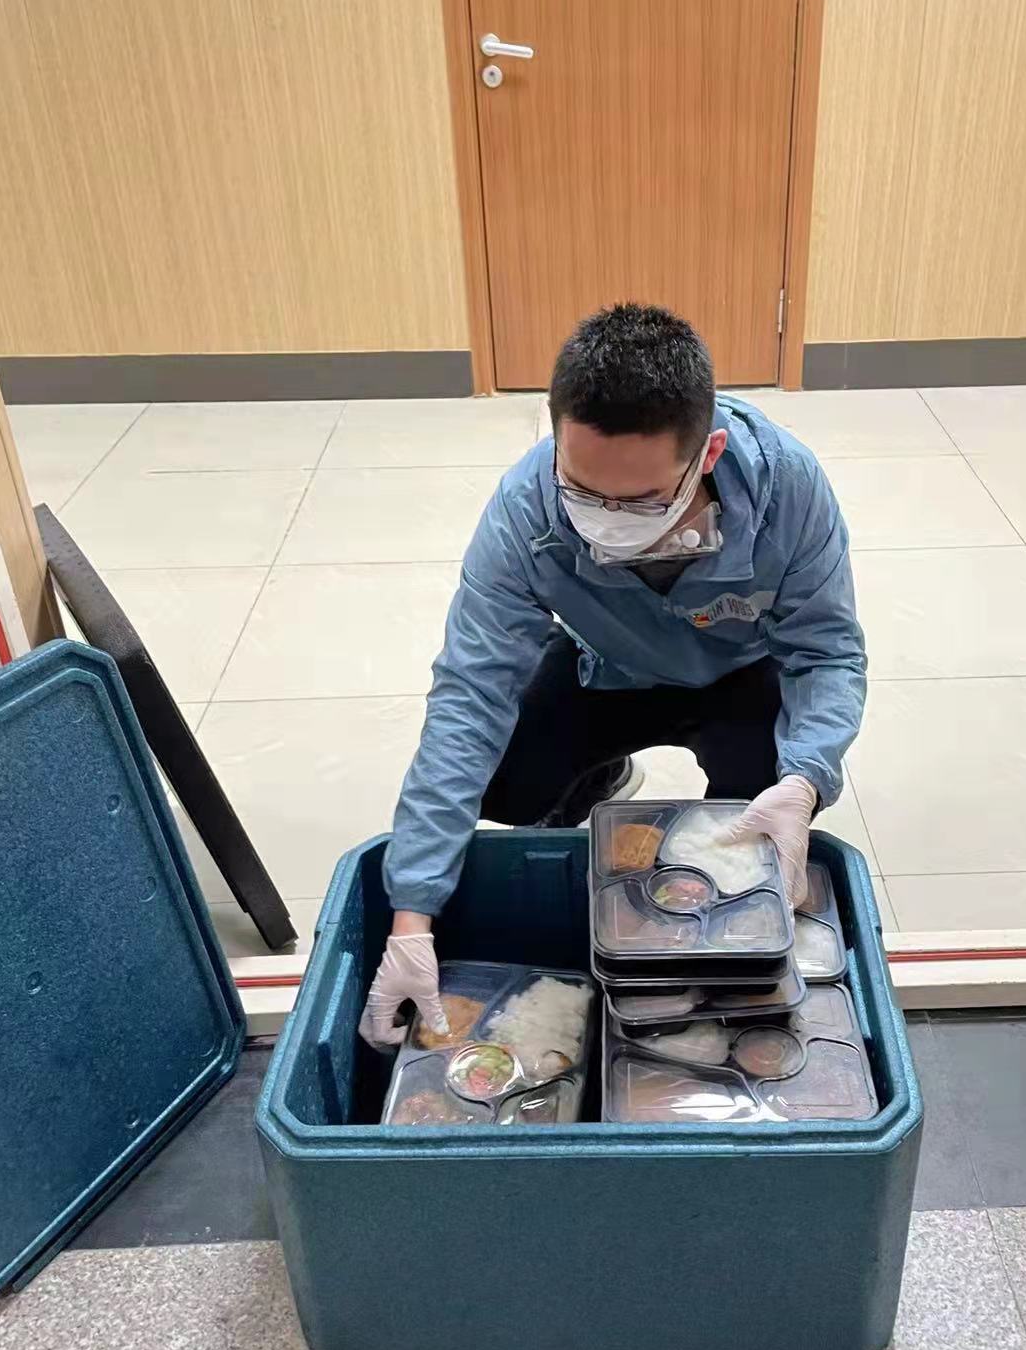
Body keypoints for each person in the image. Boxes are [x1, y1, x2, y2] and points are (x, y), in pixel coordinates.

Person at [359, 304, 867, 1049]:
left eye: (640, 500)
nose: (607, 518)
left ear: (709, 452)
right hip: (607, 667)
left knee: (754, 819)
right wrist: (412, 915)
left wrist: (807, 777)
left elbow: (825, 653)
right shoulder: (524, 511)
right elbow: (470, 692)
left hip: (739, 671)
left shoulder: (788, 489)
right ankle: (601, 777)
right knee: (503, 781)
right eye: (582, 489)